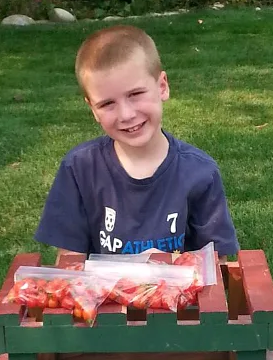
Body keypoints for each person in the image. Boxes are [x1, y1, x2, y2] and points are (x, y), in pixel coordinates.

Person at [34, 24, 239, 260]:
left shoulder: (200, 172)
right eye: (107, 104)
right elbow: (70, 261)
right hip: (102, 296)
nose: (126, 114)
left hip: (177, 294)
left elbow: (216, 261)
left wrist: (166, 263)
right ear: (92, 108)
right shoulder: (79, 168)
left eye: (135, 94)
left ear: (162, 86)